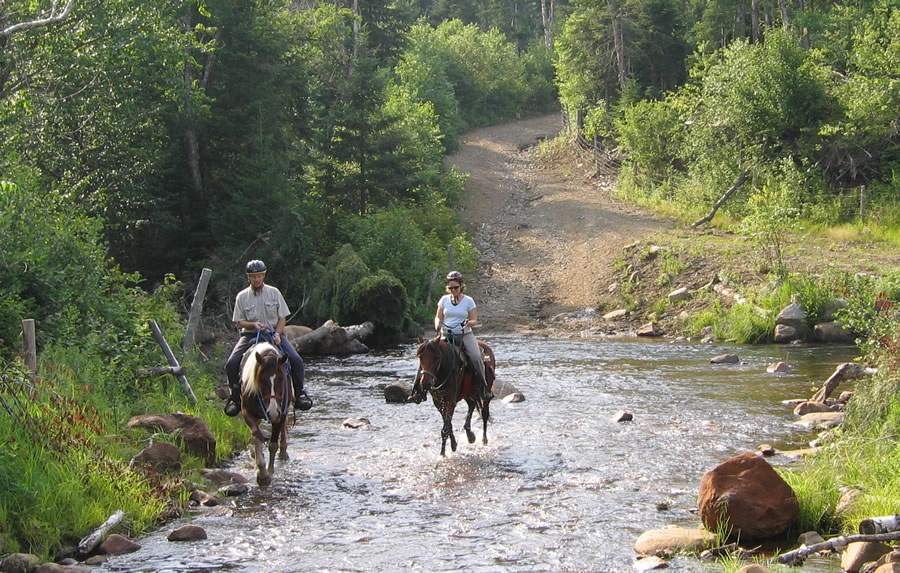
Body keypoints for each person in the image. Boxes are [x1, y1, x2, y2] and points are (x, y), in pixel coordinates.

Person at [224, 259, 312, 416]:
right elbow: (239, 321)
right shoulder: (242, 297)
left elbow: (282, 318)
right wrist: (253, 325)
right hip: (250, 335)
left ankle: (300, 394)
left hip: (273, 333)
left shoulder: (274, 292)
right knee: (231, 363)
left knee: (296, 359)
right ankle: (235, 398)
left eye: (259, 276)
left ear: (264, 275)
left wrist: (278, 333)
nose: (257, 279)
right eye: (253, 276)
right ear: (248, 277)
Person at [434, 270, 492, 401]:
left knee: (476, 357)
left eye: (456, 287)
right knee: (427, 353)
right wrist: (437, 323)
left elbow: (474, 320)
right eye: (450, 287)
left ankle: (483, 387)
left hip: (464, 335)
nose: (453, 290)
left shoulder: (469, 301)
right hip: (446, 335)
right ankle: (418, 389)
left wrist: (468, 323)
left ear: (461, 286)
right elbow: (438, 317)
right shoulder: (443, 300)